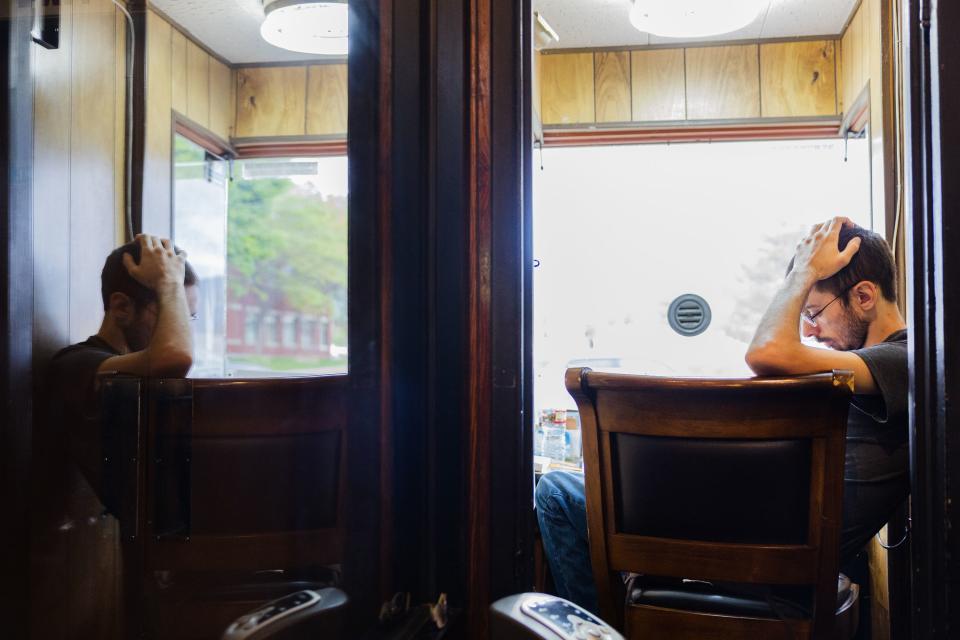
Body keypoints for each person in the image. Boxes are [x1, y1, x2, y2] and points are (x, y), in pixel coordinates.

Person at [535, 217, 909, 614]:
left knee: (556, 492)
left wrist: (803, 272)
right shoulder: (869, 368)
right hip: (758, 537)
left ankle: (603, 630)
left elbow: (766, 353)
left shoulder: (902, 360)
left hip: (751, 552)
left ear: (865, 296)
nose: (811, 331)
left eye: (814, 312)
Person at [45, 233, 199, 504]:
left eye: (188, 318)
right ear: (121, 307)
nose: (181, 327)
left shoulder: (146, 368)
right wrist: (169, 283)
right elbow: (174, 356)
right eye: (171, 311)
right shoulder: (74, 363)